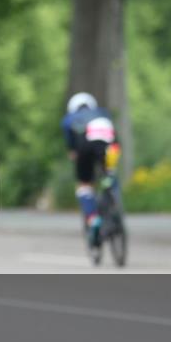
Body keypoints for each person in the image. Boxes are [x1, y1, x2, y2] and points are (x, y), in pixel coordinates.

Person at [61, 92, 118, 248]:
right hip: (110, 145)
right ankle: (114, 200)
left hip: (84, 146)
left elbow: (72, 147)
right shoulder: (103, 113)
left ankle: (93, 219)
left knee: (84, 184)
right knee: (110, 173)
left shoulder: (70, 119)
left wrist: (74, 153)